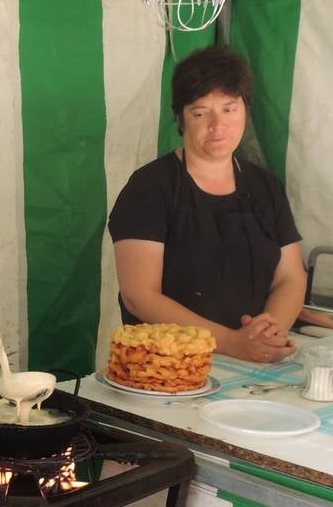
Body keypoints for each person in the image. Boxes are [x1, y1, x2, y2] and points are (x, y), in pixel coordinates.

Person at [108, 46, 305, 363]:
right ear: (181, 119)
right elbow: (139, 297)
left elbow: (291, 276)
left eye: (229, 109)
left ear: (245, 110)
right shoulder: (149, 188)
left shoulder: (265, 186)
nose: (218, 126)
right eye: (201, 113)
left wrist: (267, 334)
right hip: (168, 367)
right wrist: (230, 342)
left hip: (253, 359)